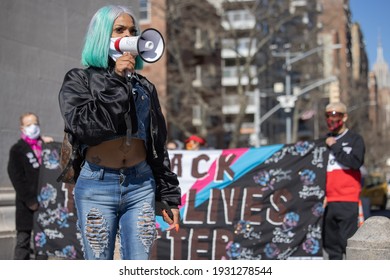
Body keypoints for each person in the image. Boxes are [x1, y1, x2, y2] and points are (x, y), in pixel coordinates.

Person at [58, 5, 181, 260]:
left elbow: (158, 144)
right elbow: (86, 128)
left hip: (141, 185)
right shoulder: (79, 80)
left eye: (133, 31)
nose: (130, 35)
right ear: (103, 35)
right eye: (120, 30)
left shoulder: (144, 86)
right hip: (96, 186)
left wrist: (168, 195)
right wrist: (116, 81)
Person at [322, 101, 365, 260]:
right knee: (331, 247)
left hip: (348, 200)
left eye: (336, 115)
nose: (332, 119)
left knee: (348, 245)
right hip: (328, 203)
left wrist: (335, 147)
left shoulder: (355, 139)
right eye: (328, 115)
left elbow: (355, 162)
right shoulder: (323, 142)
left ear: (344, 117)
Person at [7, 112, 53, 259]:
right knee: (23, 240)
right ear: (22, 128)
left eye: (35, 123)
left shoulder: (45, 146)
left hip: (45, 203)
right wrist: (30, 200)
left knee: (43, 242)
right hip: (26, 204)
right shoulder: (18, 149)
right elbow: (16, 178)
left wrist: (50, 146)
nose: (33, 127)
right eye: (28, 125)